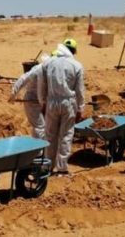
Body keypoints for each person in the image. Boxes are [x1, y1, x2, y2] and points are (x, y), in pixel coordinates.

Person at [38, 39, 85, 176]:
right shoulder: (76, 65)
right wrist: (80, 108)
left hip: (51, 102)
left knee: (50, 135)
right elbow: (80, 90)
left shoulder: (48, 63)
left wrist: (43, 102)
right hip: (68, 103)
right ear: (73, 51)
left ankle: (47, 166)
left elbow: (42, 85)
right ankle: (62, 168)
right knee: (66, 135)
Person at [9, 53, 52, 140]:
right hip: (32, 101)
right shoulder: (36, 70)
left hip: (44, 102)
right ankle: (38, 150)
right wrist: (13, 94)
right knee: (40, 126)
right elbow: (23, 79)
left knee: (47, 126)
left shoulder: (52, 71)